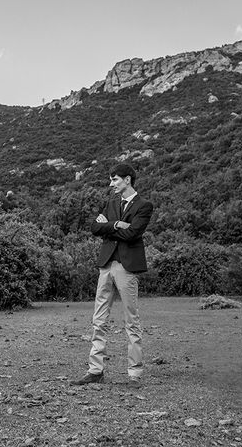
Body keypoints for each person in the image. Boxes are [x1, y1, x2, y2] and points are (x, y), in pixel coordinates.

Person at [72, 164, 153, 388]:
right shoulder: (111, 203)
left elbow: (132, 233)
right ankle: (95, 370)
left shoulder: (144, 206)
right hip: (106, 265)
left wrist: (107, 226)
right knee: (99, 319)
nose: (111, 184)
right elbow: (94, 228)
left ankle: (134, 374)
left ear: (127, 180)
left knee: (131, 321)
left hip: (127, 268)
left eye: (115, 179)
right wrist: (116, 223)